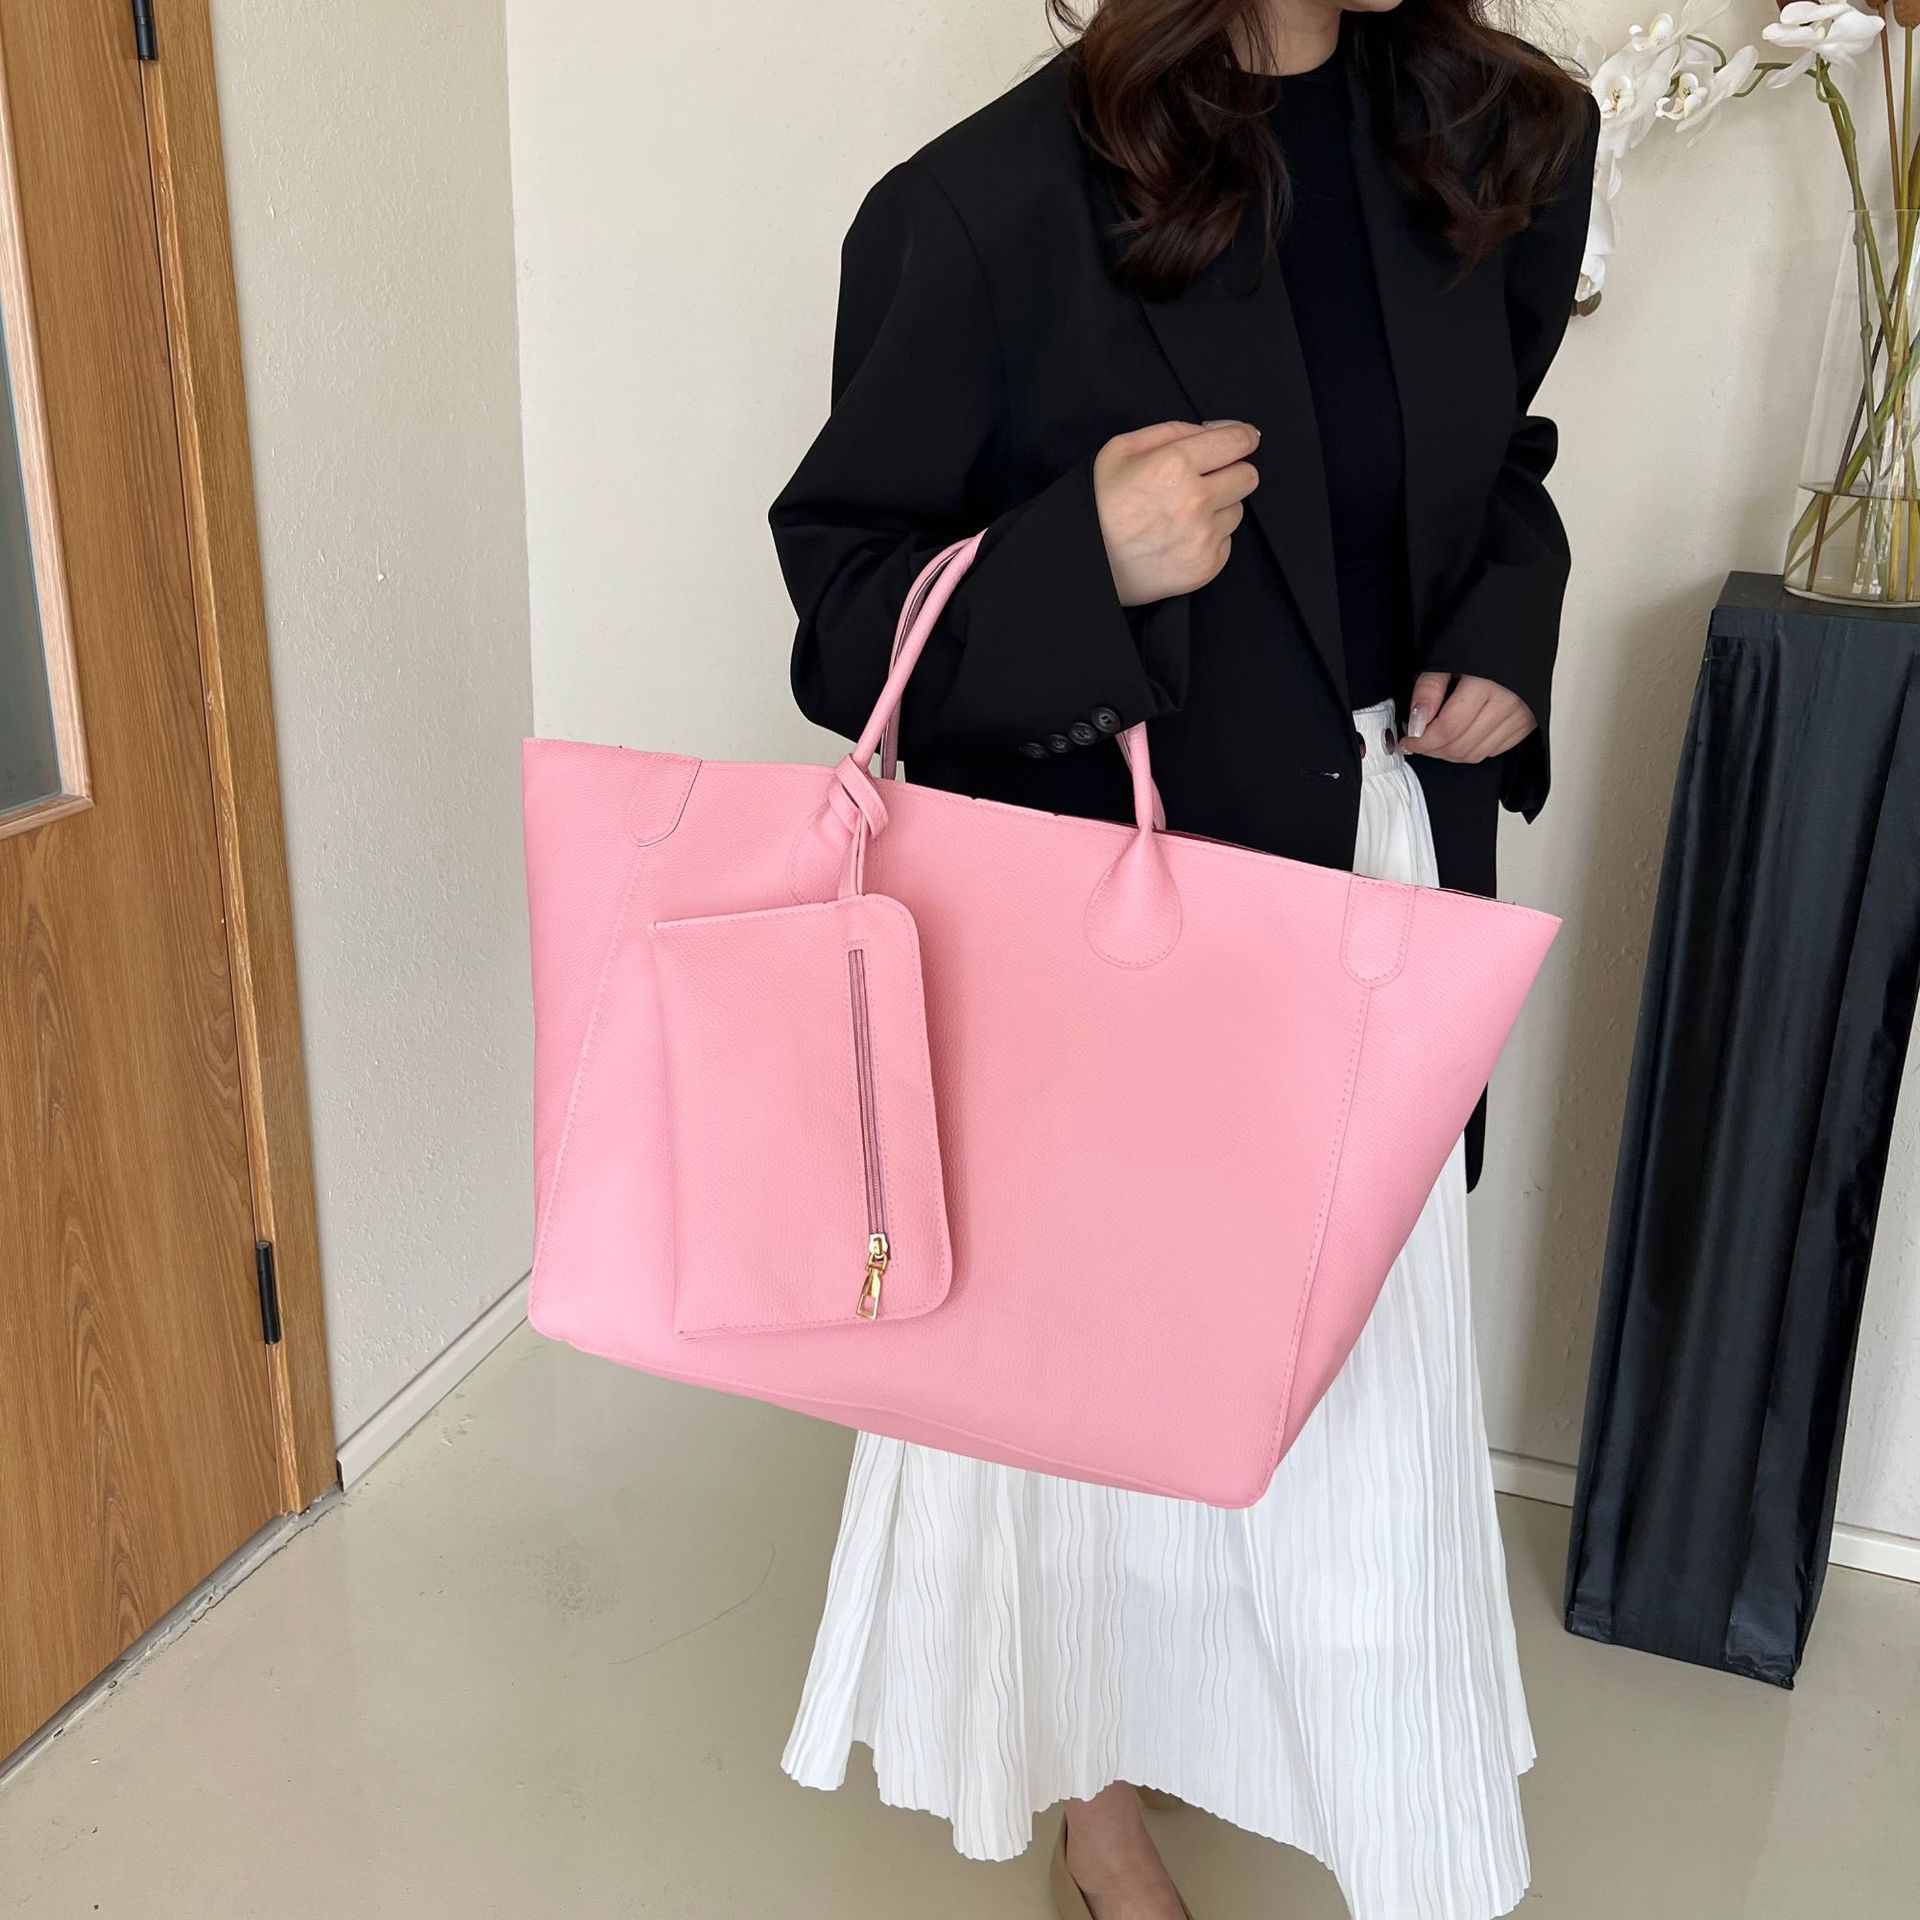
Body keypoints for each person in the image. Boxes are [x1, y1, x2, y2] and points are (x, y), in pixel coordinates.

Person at [769, 2, 1599, 1914]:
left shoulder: (1499, 136)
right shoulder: (983, 207)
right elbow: (843, 612)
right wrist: (1083, 554)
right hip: (1122, 921)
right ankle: (1097, 1789)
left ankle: (1388, 1798)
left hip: (1387, 874)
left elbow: (1503, 462)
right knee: (1101, 1398)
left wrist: (1502, 627)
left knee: (1356, 1389)